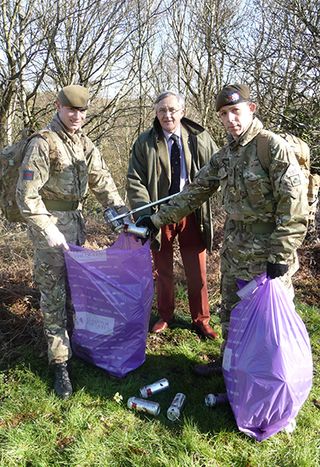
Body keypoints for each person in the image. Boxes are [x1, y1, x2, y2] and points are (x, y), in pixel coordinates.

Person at [136, 84, 309, 375]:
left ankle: (269, 377)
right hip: (235, 250)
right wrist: (155, 220)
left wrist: (281, 253)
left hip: (268, 253)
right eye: (224, 114)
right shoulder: (226, 153)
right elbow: (194, 192)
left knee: (268, 321)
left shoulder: (271, 146)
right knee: (231, 314)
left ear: (251, 109)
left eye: (235, 111)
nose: (231, 120)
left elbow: (294, 206)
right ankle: (228, 365)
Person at [16, 85, 128, 398]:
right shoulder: (44, 143)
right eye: (71, 110)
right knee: (53, 295)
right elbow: (26, 196)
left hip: (77, 227)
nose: (76, 116)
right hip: (50, 230)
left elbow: (103, 183)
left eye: (82, 111)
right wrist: (47, 228)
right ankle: (59, 364)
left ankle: (76, 346)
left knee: (75, 292)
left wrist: (122, 217)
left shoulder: (84, 143)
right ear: (58, 106)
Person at [127, 91, 219, 339]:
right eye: (162, 111)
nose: (167, 115)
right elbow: (135, 180)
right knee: (163, 269)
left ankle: (201, 319)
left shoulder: (200, 138)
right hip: (160, 215)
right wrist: (145, 214)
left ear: (182, 111)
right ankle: (165, 315)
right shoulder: (145, 142)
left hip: (193, 212)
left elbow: (220, 169)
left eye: (172, 110)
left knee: (196, 269)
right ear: (156, 113)